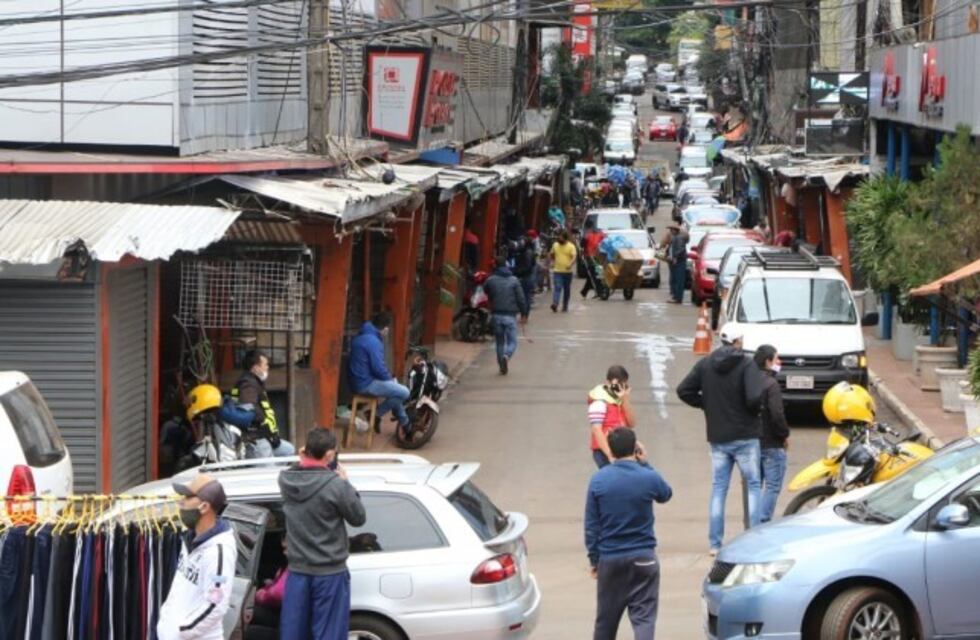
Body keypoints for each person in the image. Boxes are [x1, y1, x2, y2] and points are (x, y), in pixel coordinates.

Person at [676, 324, 766, 555]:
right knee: (754, 485)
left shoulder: (706, 364)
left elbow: (684, 390)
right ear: (738, 341)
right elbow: (754, 397)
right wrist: (754, 411)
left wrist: (707, 404)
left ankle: (715, 543)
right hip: (746, 435)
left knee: (719, 489)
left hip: (718, 436)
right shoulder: (747, 364)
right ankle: (754, 538)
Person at [279, 427, 366, 640]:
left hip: (298, 572)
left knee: (294, 634)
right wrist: (347, 484)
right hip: (330, 574)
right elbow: (358, 517)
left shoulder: (285, 480)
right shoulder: (336, 486)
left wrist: (303, 458)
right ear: (329, 455)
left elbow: (295, 468)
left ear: (305, 451)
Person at [585, 428, 673, 640]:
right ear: (635, 448)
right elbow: (666, 494)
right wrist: (645, 463)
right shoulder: (648, 477)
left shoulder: (598, 480)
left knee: (606, 621)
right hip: (644, 557)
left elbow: (592, 525)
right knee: (644, 619)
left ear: (611, 452)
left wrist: (594, 559)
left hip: (611, 559)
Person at [158, 474, 237, 640]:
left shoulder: (219, 551)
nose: (181, 502)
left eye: (187, 497)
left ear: (204, 506)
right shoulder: (190, 539)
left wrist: (181, 631)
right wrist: (166, 620)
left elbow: (215, 605)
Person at [348, 313, 411, 435]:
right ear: (386, 329)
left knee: (395, 393)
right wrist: (390, 379)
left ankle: (404, 422)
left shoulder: (362, 335)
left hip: (358, 380)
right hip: (365, 383)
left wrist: (389, 379)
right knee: (404, 392)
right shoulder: (373, 341)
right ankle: (376, 414)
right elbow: (378, 368)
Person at [231, 351, 295, 458]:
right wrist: (263, 424)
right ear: (256, 368)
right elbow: (249, 407)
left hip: (265, 436)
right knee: (269, 471)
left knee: (288, 450)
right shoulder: (248, 384)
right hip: (256, 438)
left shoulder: (254, 382)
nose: (267, 367)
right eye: (265, 364)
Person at [755, 345, 790, 523]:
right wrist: (784, 435)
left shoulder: (750, 380)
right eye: (776, 359)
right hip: (771, 443)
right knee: (772, 485)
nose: (779, 362)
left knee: (755, 485)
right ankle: (762, 522)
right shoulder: (771, 385)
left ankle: (752, 520)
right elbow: (777, 414)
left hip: (753, 442)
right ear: (768, 362)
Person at [484, 255, 529, 375]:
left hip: (496, 314)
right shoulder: (514, 280)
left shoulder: (490, 279)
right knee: (512, 342)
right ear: (506, 265)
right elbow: (521, 299)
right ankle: (506, 356)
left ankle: (501, 365)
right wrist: (524, 313)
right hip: (510, 315)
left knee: (500, 341)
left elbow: (486, 290)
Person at [588, 365, 636, 468]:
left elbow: (632, 423)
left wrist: (625, 400)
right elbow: (596, 429)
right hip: (605, 452)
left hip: (622, 451)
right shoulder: (599, 401)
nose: (619, 388)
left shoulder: (620, 400)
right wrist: (610, 455)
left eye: (623, 384)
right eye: (616, 384)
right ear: (608, 382)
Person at [550, 230, 577, 313]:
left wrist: (570, 264)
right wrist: (552, 262)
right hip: (557, 271)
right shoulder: (555, 245)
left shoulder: (571, 246)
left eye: (561, 238)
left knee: (566, 289)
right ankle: (555, 304)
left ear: (565, 239)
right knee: (557, 287)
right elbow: (552, 254)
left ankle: (565, 305)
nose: (559, 239)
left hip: (567, 273)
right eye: (558, 237)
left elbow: (574, 257)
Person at [512, 232, 539, 313]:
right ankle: (524, 314)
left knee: (525, 295)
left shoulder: (527, 252)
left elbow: (528, 266)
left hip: (525, 276)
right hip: (527, 275)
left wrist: (517, 271)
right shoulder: (528, 251)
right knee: (525, 295)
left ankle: (524, 314)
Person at [580, 220, 607, 299]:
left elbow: (582, 245)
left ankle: (598, 291)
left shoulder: (587, 235)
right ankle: (588, 291)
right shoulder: (600, 233)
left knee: (594, 275)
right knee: (594, 274)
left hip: (591, 257)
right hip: (598, 256)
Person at [664, 224, 689, 304]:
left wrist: (675, 257)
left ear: (675, 230)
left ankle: (678, 298)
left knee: (679, 280)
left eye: (672, 229)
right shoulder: (674, 238)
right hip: (674, 262)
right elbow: (671, 249)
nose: (670, 231)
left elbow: (681, 249)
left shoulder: (679, 238)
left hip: (679, 262)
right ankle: (675, 297)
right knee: (674, 280)